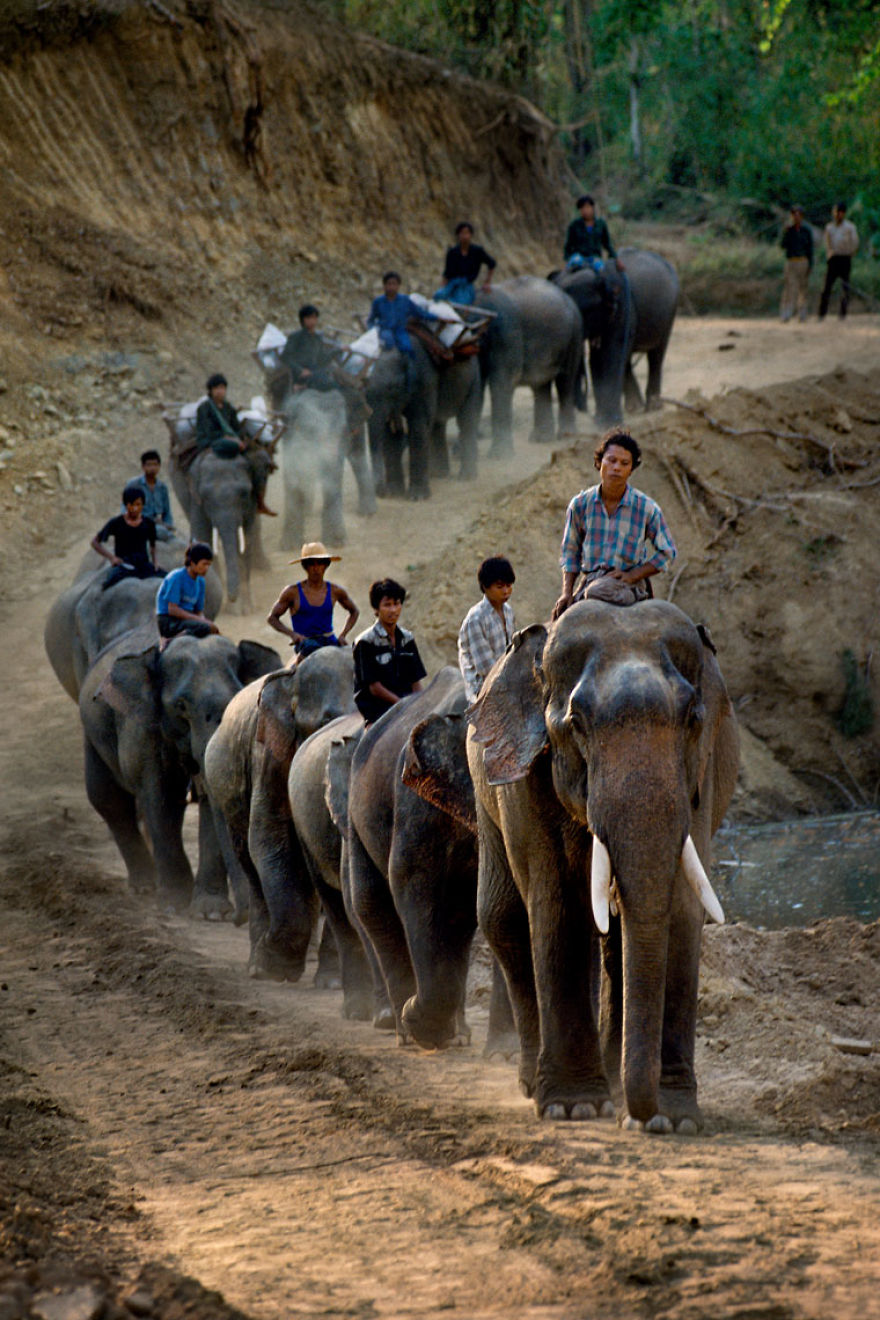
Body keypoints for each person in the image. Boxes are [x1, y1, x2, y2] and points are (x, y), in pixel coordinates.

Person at [552, 427, 676, 617]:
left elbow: (668, 552)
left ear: (631, 469)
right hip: (590, 582)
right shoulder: (580, 505)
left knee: (596, 592)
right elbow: (570, 553)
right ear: (599, 462)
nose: (616, 467)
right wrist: (566, 593)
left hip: (629, 586)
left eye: (624, 463)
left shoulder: (646, 508)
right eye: (611, 460)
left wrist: (633, 575)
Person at [195, 373, 276, 515]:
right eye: (216, 388)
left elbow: (237, 429)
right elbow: (207, 432)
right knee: (229, 446)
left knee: (261, 456)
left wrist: (239, 439)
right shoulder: (204, 408)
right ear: (211, 390)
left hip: (231, 442)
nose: (220, 391)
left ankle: (260, 500)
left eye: (222, 388)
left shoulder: (228, 408)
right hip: (212, 442)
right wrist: (227, 438)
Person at [266, 541, 359, 660]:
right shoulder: (292, 592)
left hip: (330, 641)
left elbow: (354, 611)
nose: (316, 568)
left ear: (326, 565)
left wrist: (343, 635)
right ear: (305, 566)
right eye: (311, 564)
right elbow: (272, 618)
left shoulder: (336, 591)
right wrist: (293, 635)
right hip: (306, 644)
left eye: (320, 563)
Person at [353, 578, 426, 725]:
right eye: (387, 605)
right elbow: (375, 688)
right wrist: (402, 705)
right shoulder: (365, 642)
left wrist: (419, 704)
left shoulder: (407, 639)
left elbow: (415, 681)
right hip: (378, 713)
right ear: (376, 608)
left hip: (407, 708)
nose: (393, 610)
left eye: (397, 604)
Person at [457, 556, 516, 704]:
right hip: (483, 690)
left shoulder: (508, 611)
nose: (506, 591)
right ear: (485, 587)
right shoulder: (476, 619)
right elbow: (487, 669)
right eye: (500, 586)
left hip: (506, 680)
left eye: (509, 585)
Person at [91, 485, 165, 592]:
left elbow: (152, 546)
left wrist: (155, 562)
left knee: (169, 580)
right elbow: (95, 542)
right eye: (131, 504)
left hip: (143, 565)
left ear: (143, 505)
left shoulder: (148, 523)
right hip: (123, 566)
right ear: (126, 505)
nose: (134, 508)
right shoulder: (116, 523)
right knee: (106, 587)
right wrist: (112, 558)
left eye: (138, 504)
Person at [156, 542, 219, 640]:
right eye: (204, 564)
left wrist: (205, 621)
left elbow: (199, 611)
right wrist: (203, 622)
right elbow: (172, 609)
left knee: (209, 629)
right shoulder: (176, 577)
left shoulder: (201, 582)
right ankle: (170, 640)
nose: (206, 568)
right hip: (169, 621)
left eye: (209, 565)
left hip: (186, 620)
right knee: (203, 627)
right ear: (192, 563)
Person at [367, 272, 439, 356]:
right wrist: (373, 332)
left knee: (407, 348)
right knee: (388, 343)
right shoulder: (378, 301)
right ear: (384, 286)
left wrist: (437, 318)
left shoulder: (405, 300)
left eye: (394, 284)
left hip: (400, 330)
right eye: (388, 284)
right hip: (385, 329)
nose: (391, 287)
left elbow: (420, 312)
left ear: (398, 286)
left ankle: (408, 366)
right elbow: (371, 320)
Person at [279, 304, 339, 392]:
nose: (312, 321)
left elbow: (322, 358)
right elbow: (285, 357)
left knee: (334, 375)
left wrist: (338, 350)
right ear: (303, 320)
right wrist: (300, 370)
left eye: (314, 317)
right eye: (309, 318)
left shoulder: (317, 338)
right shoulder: (296, 337)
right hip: (302, 372)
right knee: (326, 382)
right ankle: (301, 386)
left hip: (315, 370)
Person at [435, 222, 496, 305]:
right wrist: (443, 288)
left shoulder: (477, 251)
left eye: (467, 233)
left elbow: (492, 264)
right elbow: (447, 273)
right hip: (452, 284)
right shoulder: (453, 252)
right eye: (462, 233)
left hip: (466, 285)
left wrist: (487, 282)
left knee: (461, 303)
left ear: (470, 235)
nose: (464, 236)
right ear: (458, 235)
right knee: (438, 296)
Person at [819, 202, 859, 321]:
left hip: (845, 258)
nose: (837, 215)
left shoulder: (850, 227)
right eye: (836, 212)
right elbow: (827, 243)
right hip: (833, 258)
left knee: (845, 287)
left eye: (840, 212)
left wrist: (851, 253)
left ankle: (843, 313)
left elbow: (855, 242)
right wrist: (829, 253)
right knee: (827, 287)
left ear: (844, 214)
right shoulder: (829, 227)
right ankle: (822, 313)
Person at [126, 449, 175, 541]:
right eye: (149, 465)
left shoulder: (162, 488)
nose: (152, 468)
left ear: (159, 466)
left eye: (155, 465)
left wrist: (169, 526)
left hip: (156, 524)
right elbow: (125, 508)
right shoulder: (134, 484)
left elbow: (167, 513)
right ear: (143, 467)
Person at [564, 195, 622, 273]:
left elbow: (607, 244)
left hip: (595, 257)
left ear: (592, 208)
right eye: (582, 208)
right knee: (574, 264)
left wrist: (616, 258)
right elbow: (568, 246)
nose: (585, 210)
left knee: (603, 273)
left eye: (587, 207)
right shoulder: (574, 225)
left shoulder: (601, 224)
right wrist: (567, 259)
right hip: (579, 257)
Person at [780, 205, 813, 323]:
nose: (796, 217)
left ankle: (802, 312)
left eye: (798, 215)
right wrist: (785, 232)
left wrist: (810, 264)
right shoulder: (789, 230)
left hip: (803, 261)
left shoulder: (806, 231)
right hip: (791, 261)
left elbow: (810, 249)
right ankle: (786, 313)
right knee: (789, 287)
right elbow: (782, 245)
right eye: (794, 215)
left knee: (803, 288)